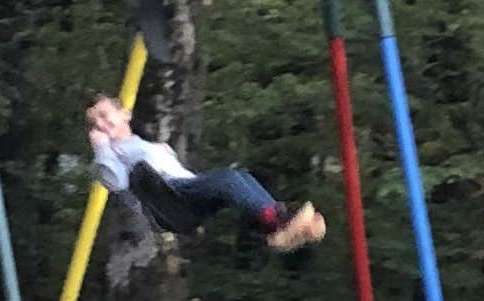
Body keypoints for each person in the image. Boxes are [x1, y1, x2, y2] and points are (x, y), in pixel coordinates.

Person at [88, 95, 326, 254]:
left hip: (185, 192)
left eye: (104, 114)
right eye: (94, 120)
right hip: (171, 200)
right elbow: (117, 183)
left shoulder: (141, 144)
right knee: (228, 180)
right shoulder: (110, 153)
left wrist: (161, 152)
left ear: (125, 114)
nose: (100, 123)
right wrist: (101, 149)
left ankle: (278, 227)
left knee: (242, 177)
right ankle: (275, 221)